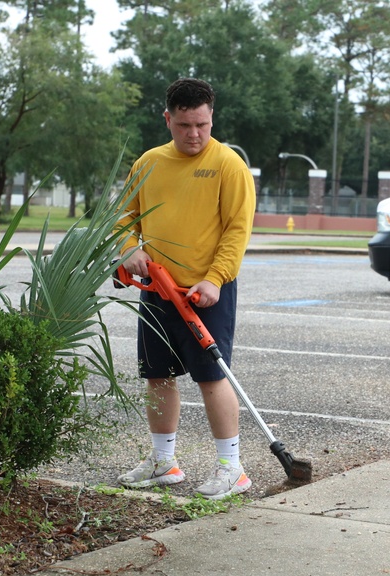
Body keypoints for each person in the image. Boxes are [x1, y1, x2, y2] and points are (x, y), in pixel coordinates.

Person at [116, 77, 256, 499]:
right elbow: (125, 216)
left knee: (212, 378)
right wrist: (128, 250)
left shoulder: (229, 164)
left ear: (212, 118)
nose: (194, 135)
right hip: (157, 289)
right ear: (167, 119)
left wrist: (215, 278)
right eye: (184, 125)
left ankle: (232, 469)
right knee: (158, 376)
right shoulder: (148, 163)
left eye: (202, 125)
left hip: (205, 293)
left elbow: (237, 229)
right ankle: (164, 462)